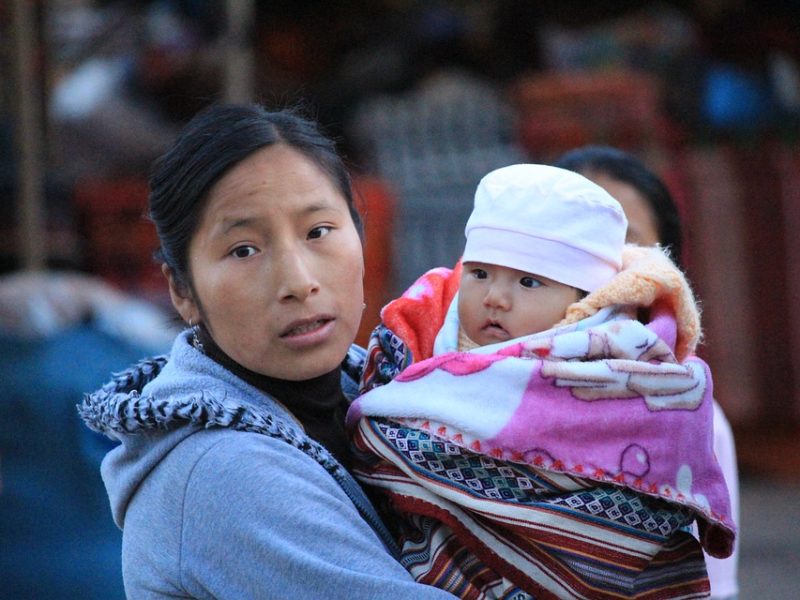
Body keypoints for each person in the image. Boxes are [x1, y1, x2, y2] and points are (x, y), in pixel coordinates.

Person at [78, 103, 456, 599]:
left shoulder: (387, 391)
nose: (298, 282)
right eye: (244, 250)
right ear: (182, 291)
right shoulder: (221, 471)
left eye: (318, 232)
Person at [346, 164, 736, 599]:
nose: (495, 296)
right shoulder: (422, 335)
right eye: (479, 273)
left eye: (529, 281)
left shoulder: (627, 371)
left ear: (585, 302)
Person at [555, 145, 740, 600]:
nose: (596, 270)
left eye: (626, 244)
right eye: (572, 243)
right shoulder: (457, 383)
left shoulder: (691, 419)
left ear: (668, 276)